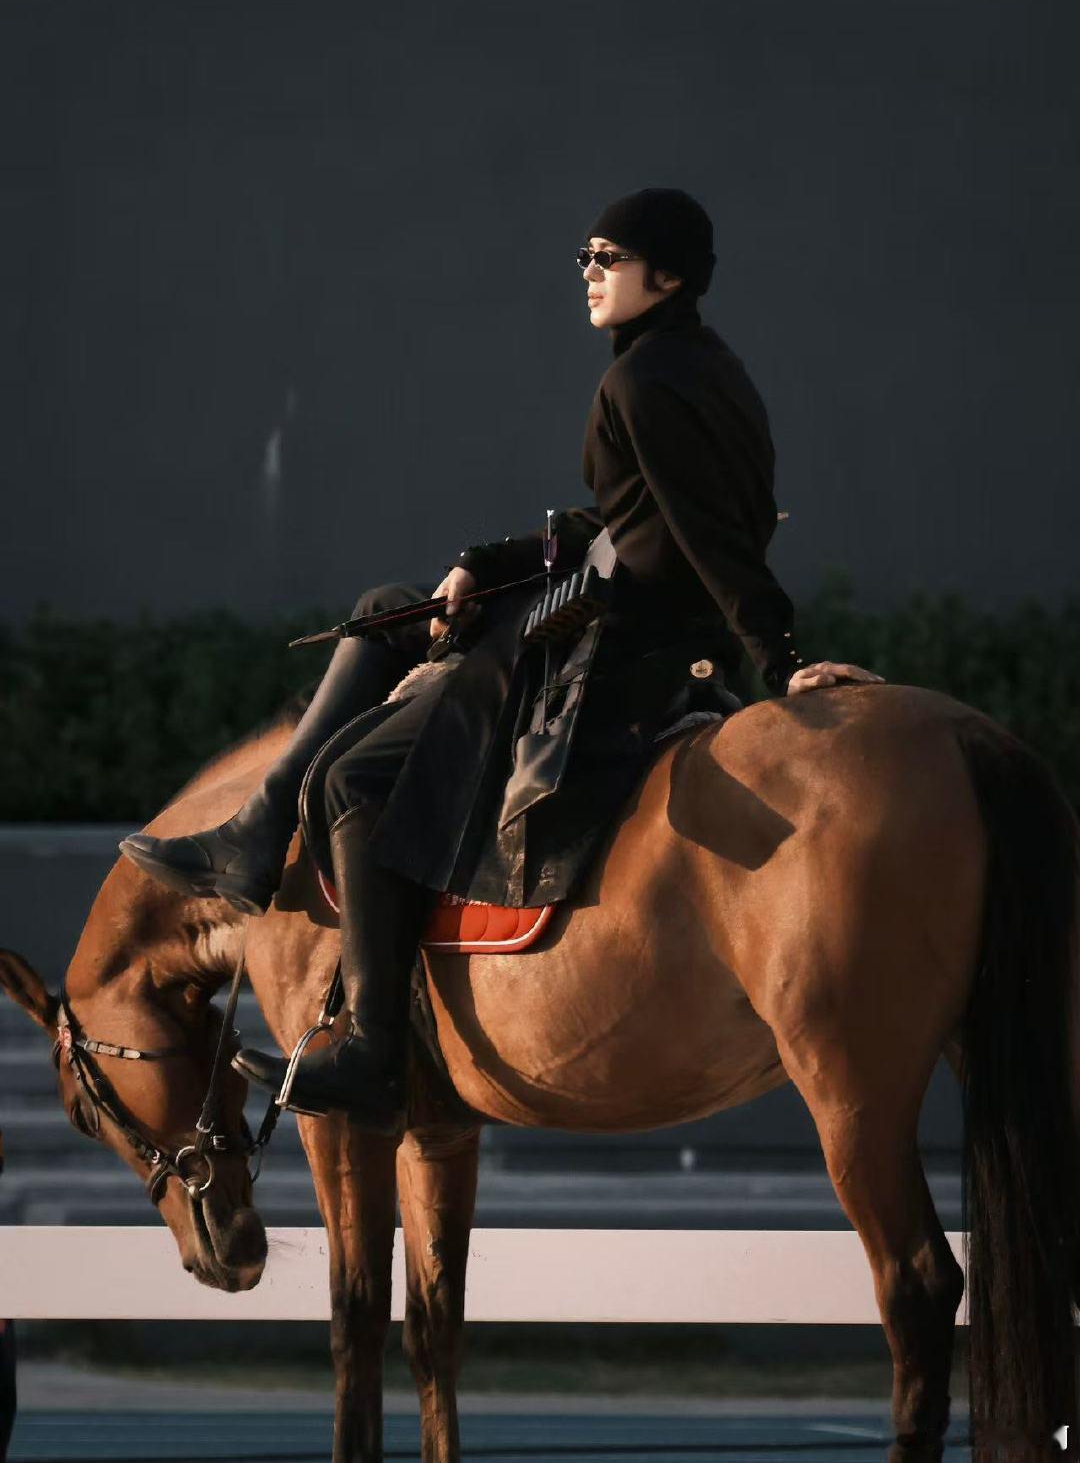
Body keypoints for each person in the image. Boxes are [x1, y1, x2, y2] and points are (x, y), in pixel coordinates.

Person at [120, 187, 881, 1129]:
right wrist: (486, 567)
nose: (592, 275)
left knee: (357, 780)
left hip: (628, 646)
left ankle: (372, 1053)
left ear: (670, 275)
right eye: (586, 258)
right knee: (384, 614)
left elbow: (712, 538)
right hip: (618, 607)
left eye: (611, 258)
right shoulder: (698, 367)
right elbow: (632, 522)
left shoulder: (640, 382)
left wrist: (786, 658)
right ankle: (254, 834)